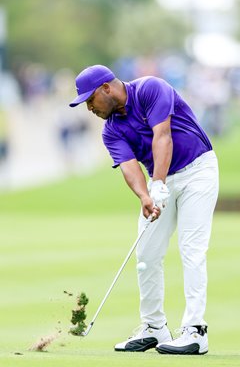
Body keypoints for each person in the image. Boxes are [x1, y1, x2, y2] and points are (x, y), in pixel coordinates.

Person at [69, 64, 219, 355]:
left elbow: (163, 136)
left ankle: (195, 331)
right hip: (158, 181)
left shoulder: (151, 88)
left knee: (192, 249)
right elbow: (129, 168)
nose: (89, 108)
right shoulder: (111, 131)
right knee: (147, 255)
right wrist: (145, 195)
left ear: (106, 89)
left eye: (90, 100)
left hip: (198, 170)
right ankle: (154, 327)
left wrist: (158, 183)